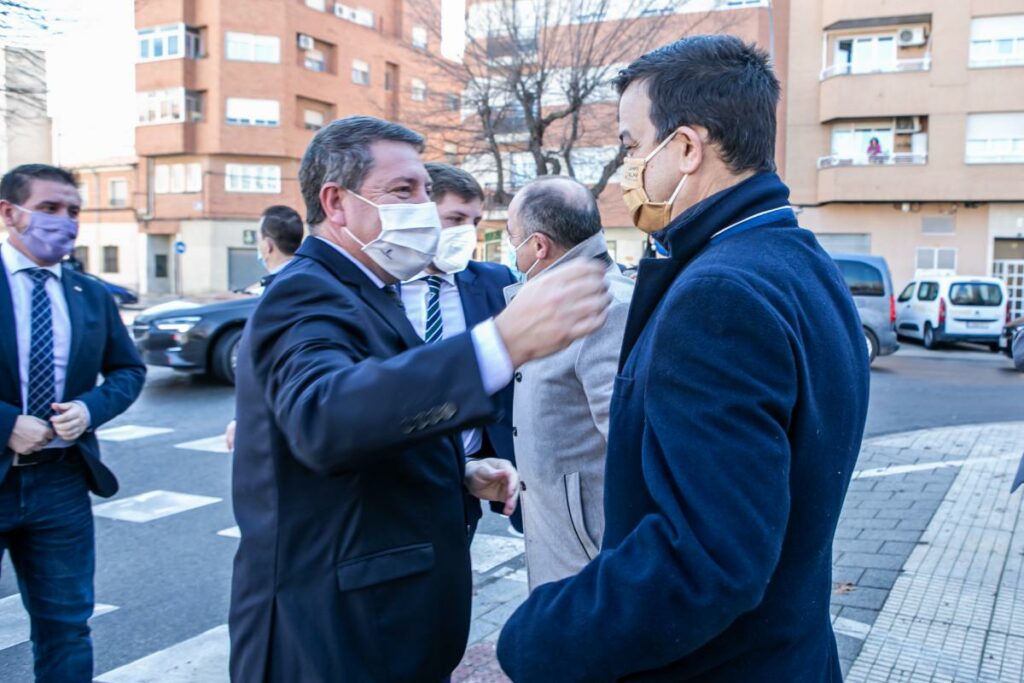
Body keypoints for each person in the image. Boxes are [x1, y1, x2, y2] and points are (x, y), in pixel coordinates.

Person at [497, 36, 870, 682]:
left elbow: (707, 556)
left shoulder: (718, 295)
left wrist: (537, 634)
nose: (629, 166)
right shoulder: (801, 260)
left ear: (688, 148)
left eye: (632, 144)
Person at [228, 115, 610, 682]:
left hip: (384, 625)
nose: (423, 209)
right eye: (402, 191)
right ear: (336, 202)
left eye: (425, 192)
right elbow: (326, 418)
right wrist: (498, 344)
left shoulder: (368, 290)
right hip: (336, 635)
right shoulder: (305, 291)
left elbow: (377, 425)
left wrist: (455, 468)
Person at [0, 164, 146, 681]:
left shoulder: (90, 294)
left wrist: (90, 410)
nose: (64, 222)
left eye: (73, 211)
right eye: (48, 209)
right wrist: (6, 424)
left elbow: (128, 370)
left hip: (62, 481)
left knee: (66, 626)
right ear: (9, 214)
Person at [503, 176, 633, 590]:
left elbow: (630, 445)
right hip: (564, 544)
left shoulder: (604, 308)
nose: (512, 249)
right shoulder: (557, 299)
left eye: (513, 238)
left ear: (539, 246)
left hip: (589, 559)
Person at [402, 162, 520, 535]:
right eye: (454, 219)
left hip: (468, 476)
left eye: (474, 221)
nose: (466, 232)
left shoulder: (495, 282)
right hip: (396, 472)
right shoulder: (381, 287)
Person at [225, 205, 304, 451]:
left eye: (259, 240)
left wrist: (245, 420)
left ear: (268, 245)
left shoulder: (286, 289)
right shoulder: (298, 278)